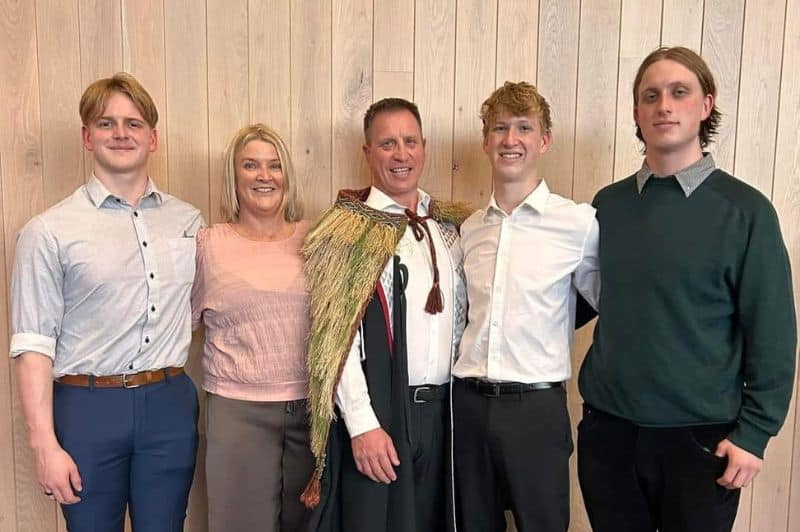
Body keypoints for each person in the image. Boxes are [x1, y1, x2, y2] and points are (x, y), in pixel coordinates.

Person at [577, 46, 797, 532]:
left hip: (702, 444)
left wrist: (755, 434)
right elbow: (579, 300)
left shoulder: (746, 212)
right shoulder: (607, 206)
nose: (664, 106)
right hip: (609, 434)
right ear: (637, 113)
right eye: (650, 96)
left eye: (680, 92)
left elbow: (774, 333)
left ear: (706, 105)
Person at [10, 73, 204, 531]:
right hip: (87, 409)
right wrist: (44, 445)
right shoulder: (49, 231)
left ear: (152, 138)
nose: (121, 133)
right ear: (86, 136)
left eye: (134, 124)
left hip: (169, 404)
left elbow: (200, 307)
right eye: (106, 123)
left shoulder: (189, 221)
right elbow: (33, 343)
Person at [300, 98, 470, 532]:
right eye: (387, 143)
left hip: (448, 413)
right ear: (367, 152)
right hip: (384, 413)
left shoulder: (451, 227)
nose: (401, 154)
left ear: (424, 147)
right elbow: (334, 340)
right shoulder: (347, 231)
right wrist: (362, 425)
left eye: (409, 141)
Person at [451, 81, 599, 532]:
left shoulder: (577, 223)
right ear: (485, 142)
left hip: (535, 410)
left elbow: (605, 303)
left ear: (544, 141)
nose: (510, 139)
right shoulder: (470, 229)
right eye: (499, 128)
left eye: (523, 128)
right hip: (469, 405)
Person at [191, 123, 314, 532]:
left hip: (312, 413)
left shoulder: (315, 238)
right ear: (234, 176)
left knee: (311, 524)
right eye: (251, 165)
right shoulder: (208, 245)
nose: (264, 176)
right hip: (237, 412)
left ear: (287, 176)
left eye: (274, 165)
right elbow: (178, 326)